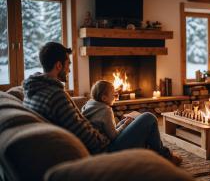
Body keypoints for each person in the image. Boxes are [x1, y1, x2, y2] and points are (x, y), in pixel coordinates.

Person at [23, 42, 182, 165]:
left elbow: (80, 124)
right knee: (148, 118)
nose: (69, 70)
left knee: (133, 123)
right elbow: (86, 135)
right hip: (103, 151)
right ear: (59, 66)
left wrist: (119, 127)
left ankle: (151, 155)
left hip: (92, 144)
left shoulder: (33, 91)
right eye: (68, 64)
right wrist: (112, 135)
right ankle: (164, 156)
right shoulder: (56, 96)